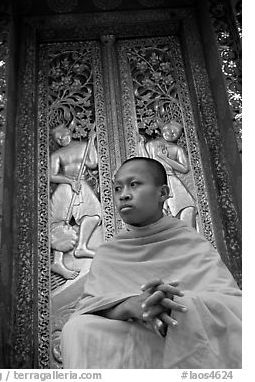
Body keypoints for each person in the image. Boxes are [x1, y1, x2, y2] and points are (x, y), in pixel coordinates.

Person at [61, 157, 241, 368]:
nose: (124, 195)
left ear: (163, 193)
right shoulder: (108, 252)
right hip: (134, 335)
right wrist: (131, 306)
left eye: (134, 184)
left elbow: (234, 308)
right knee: (77, 328)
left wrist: (178, 303)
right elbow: (91, 306)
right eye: (117, 189)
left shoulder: (191, 242)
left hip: (181, 334)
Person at [50, 123, 101, 280]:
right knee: (59, 223)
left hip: (82, 186)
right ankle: (57, 262)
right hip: (65, 188)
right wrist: (69, 181)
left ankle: (82, 247)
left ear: (69, 132)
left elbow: (93, 164)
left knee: (94, 214)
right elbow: (51, 175)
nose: (62, 139)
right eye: (58, 138)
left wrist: (92, 142)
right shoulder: (57, 155)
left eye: (64, 135)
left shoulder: (83, 146)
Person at [138, 120, 196, 227]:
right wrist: (141, 144)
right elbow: (145, 163)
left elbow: (184, 168)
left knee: (188, 207)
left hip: (172, 180)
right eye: (169, 129)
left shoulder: (177, 149)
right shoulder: (151, 145)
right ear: (163, 128)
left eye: (175, 133)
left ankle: (189, 237)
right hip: (156, 181)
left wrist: (165, 158)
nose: (170, 133)